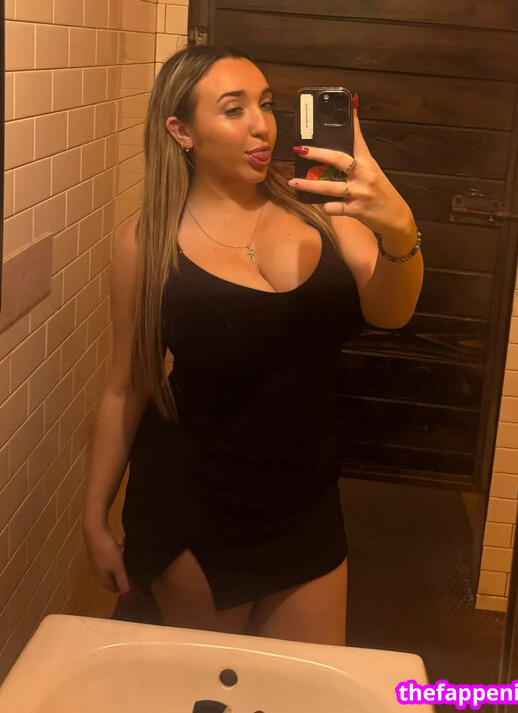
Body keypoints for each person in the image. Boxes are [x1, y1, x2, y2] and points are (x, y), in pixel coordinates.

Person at [83, 45, 423, 646]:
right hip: (194, 505)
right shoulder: (149, 244)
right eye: (233, 109)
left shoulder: (324, 210)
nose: (262, 124)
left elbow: (390, 311)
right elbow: (127, 386)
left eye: (265, 104)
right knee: (211, 683)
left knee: (309, 682)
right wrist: (94, 518)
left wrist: (400, 229)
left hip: (305, 500)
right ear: (181, 132)